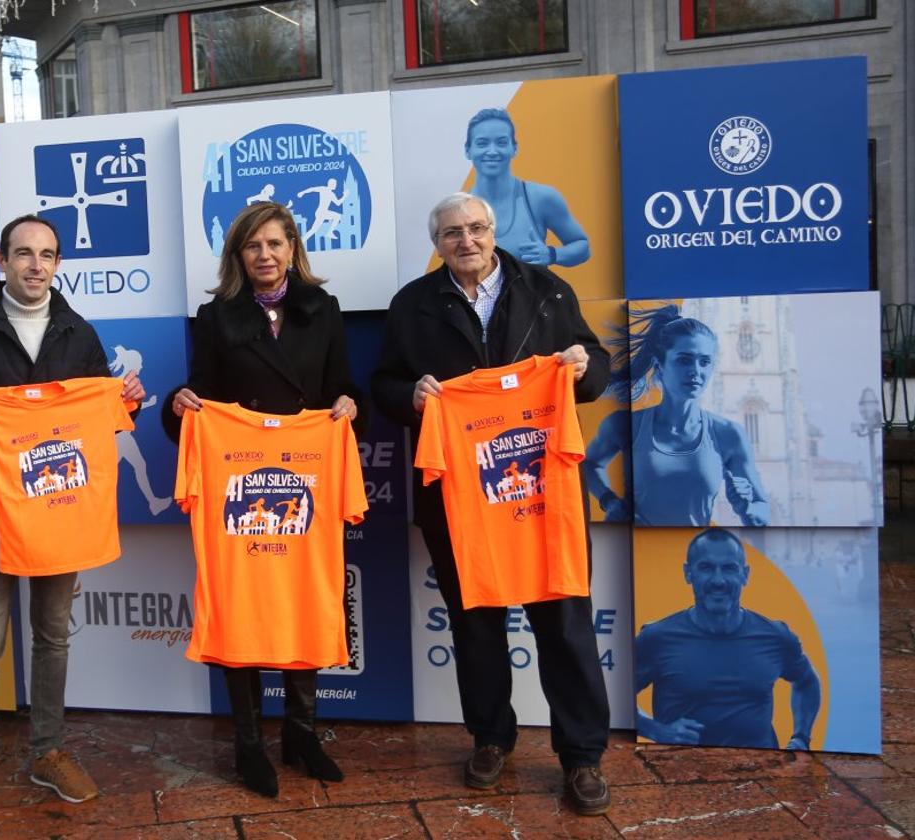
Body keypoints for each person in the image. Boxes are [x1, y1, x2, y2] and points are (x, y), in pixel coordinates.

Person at [371, 192, 611, 816]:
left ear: (493, 231)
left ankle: (582, 757)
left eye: (476, 228)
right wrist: (413, 395)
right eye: (452, 232)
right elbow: (384, 385)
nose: (466, 241)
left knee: (562, 624)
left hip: (540, 495)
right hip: (459, 498)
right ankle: (489, 738)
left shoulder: (547, 290)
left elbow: (597, 368)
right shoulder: (412, 305)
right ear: (438, 242)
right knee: (475, 623)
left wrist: (582, 369)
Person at [0, 214, 146, 840]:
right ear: (2, 259)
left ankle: (47, 751)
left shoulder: (77, 330)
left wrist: (130, 396)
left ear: (58, 263)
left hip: (58, 513)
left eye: (46, 254)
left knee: (52, 637)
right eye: (23, 254)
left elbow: (110, 406)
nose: (35, 265)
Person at [164, 201, 365, 798]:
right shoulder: (215, 316)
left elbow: (342, 384)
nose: (265, 256)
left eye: (275, 244)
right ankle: (249, 744)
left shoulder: (322, 310)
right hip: (241, 479)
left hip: (304, 472)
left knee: (304, 597)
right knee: (243, 604)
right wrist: (181, 404)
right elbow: (199, 391)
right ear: (238, 255)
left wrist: (351, 406)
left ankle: (301, 733)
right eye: (253, 246)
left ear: (292, 248)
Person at [582, 304, 770, 526]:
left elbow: (761, 512)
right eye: (684, 360)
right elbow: (588, 464)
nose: (696, 371)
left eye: (705, 361)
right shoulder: (624, 425)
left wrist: (747, 508)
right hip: (639, 555)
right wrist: (609, 501)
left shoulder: (728, 433)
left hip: (695, 553)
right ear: (659, 365)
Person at [635, 528, 821, 749]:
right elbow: (612, 697)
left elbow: (806, 682)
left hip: (762, 774)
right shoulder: (657, 638)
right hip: (682, 775)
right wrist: (655, 730)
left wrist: (801, 737)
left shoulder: (776, 636)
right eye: (706, 567)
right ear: (688, 573)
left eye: (729, 568)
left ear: (745, 574)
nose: (718, 580)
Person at [464, 108, 589, 269]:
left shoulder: (540, 198)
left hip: (531, 294)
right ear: (468, 150)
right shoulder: (457, 209)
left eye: (501, 142)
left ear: (514, 148)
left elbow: (582, 246)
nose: (492, 151)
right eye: (482, 143)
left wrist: (552, 254)